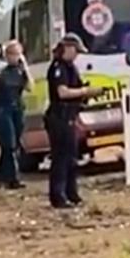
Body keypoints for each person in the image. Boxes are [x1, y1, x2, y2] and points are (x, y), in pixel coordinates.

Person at [45, 32, 104, 209]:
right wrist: (85, 92)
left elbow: (77, 88)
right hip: (59, 117)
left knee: (71, 157)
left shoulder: (71, 68)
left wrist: (87, 91)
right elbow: (62, 92)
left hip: (70, 117)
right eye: (76, 50)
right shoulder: (58, 68)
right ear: (67, 48)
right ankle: (58, 196)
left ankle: (72, 193)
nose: (77, 54)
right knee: (61, 158)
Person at [0, 40, 30, 190]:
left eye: (18, 54)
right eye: (12, 54)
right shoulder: (1, 69)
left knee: (14, 145)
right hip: (3, 109)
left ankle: (3, 178)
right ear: (7, 55)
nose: (15, 57)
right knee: (8, 144)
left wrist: (26, 68)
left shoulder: (20, 70)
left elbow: (30, 87)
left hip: (17, 109)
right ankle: (13, 178)